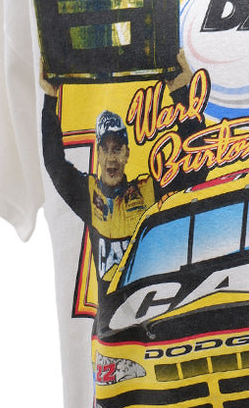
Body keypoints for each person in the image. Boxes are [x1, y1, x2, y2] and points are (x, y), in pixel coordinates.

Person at [40, 52, 207, 295]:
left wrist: (181, 92)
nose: (111, 157)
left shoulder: (148, 192)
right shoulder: (89, 195)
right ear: (98, 154)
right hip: (113, 315)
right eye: (105, 149)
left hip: (154, 304)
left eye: (117, 149)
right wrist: (50, 97)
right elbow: (54, 163)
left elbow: (196, 167)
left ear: (127, 154)